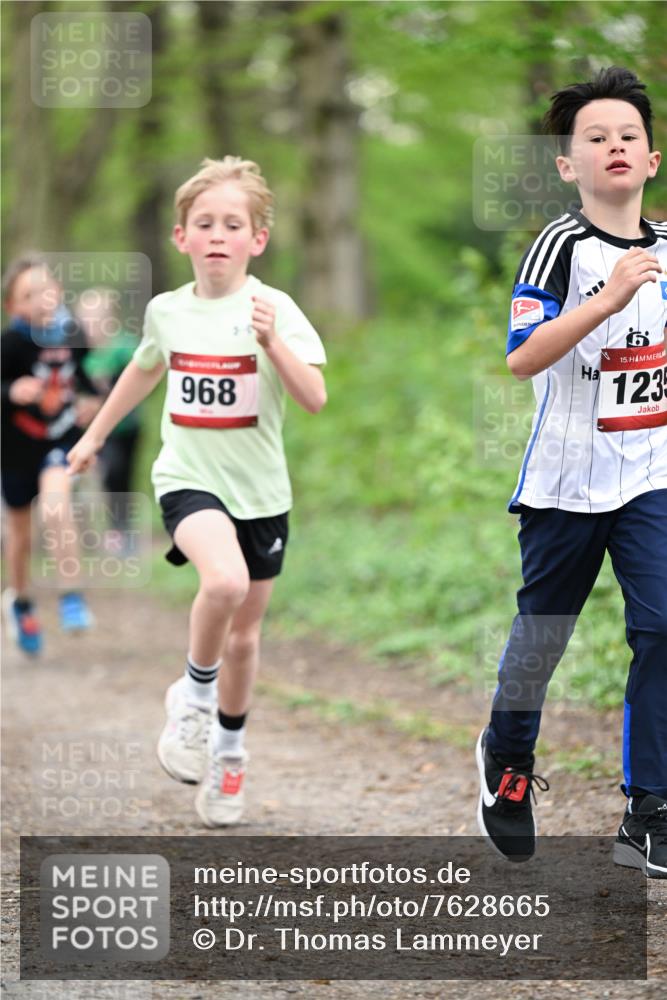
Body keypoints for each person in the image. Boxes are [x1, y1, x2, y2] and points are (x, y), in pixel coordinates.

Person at [67, 157, 327, 827]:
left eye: (232, 224)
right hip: (188, 480)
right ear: (181, 237)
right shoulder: (167, 311)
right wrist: (95, 434)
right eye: (203, 223)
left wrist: (273, 342)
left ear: (256, 239)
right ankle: (191, 698)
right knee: (223, 584)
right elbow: (142, 372)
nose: (217, 234)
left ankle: (229, 758)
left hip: (262, 495)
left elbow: (315, 398)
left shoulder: (276, 309)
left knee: (244, 637)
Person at [476, 67, 667, 878]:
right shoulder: (560, 246)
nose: (612, 146)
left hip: (649, 477)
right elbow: (522, 357)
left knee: (662, 626)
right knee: (541, 638)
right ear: (568, 165)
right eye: (594, 137)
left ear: (651, 159)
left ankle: (647, 810)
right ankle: (505, 761)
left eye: (627, 135)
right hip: (565, 480)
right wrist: (605, 300)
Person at [1, 255, 98, 654]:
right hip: (16, 447)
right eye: (28, 294)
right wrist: (10, 391)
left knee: (57, 507)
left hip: (60, 438)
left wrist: (94, 400)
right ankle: (21, 600)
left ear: (58, 291)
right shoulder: (10, 343)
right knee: (20, 535)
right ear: (13, 306)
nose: (40, 299)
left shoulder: (74, 334)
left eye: (46, 289)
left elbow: (85, 377)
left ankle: (71, 595)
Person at [76, 287, 143, 547]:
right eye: (85, 318)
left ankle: (122, 530)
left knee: (122, 477)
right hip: (92, 430)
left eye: (97, 317)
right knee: (105, 474)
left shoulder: (124, 346)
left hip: (126, 427)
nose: (91, 324)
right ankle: (89, 533)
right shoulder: (79, 351)